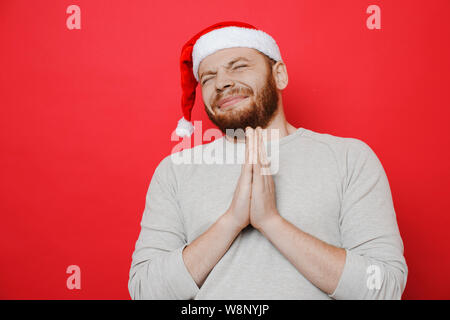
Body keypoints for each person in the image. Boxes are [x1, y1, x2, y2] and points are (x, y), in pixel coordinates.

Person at [128, 21, 408, 299]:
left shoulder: (350, 159)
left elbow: (383, 288)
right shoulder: (175, 171)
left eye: (239, 66)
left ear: (280, 75)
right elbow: (146, 292)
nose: (222, 82)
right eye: (208, 76)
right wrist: (231, 222)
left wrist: (271, 222)